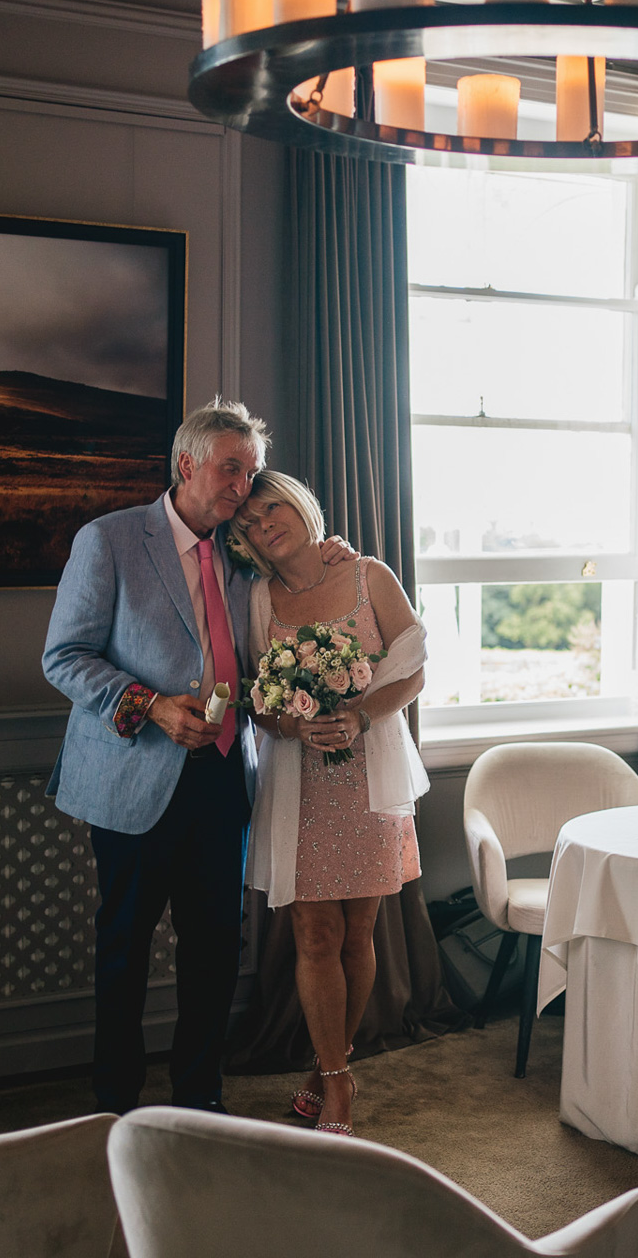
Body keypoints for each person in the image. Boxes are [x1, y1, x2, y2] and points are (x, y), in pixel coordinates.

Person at [41, 400, 352, 1115]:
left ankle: (198, 1106)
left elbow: (302, 585)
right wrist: (148, 705)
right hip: (133, 778)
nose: (244, 487)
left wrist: (329, 554)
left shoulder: (246, 557)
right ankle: (116, 1109)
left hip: (222, 779)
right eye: (231, 468)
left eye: (252, 471)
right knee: (122, 951)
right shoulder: (111, 540)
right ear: (187, 465)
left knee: (215, 954)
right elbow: (64, 658)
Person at [228, 470, 428, 1138]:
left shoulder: (370, 574)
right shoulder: (259, 598)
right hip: (300, 783)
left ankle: (324, 1069)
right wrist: (293, 724)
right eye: (248, 522)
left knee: (359, 933)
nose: (263, 524)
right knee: (316, 933)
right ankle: (339, 1087)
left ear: (298, 504)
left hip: (369, 776)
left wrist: (362, 716)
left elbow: (415, 662)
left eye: (271, 507)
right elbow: (258, 697)